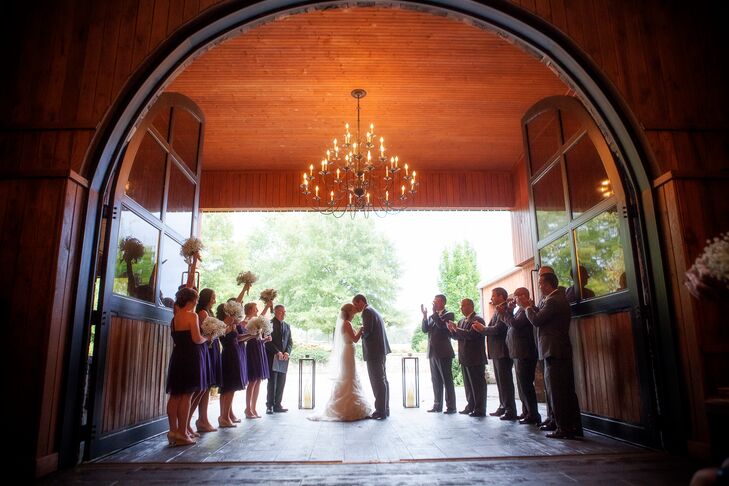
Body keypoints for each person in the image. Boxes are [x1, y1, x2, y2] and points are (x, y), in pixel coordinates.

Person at [525, 272, 583, 439]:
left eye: (540, 283)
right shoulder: (555, 299)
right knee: (565, 390)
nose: (539, 286)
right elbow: (544, 317)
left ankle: (564, 428)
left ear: (548, 284)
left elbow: (536, 321)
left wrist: (527, 307)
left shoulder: (554, 300)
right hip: (557, 349)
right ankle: (573, 427)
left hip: (554, 350)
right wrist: (532, 307)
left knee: (558, 391)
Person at [308, 303, 372, 421]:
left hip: (348, 352)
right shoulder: (347, 323)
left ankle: (350, 404)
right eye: (353, 310)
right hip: (348, 352)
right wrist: (361, 329)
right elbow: (355, 339)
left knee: (349, 377)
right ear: (349, 312)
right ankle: (346, 407)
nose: (355, 312)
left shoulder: (346, 323)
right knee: (348, 377)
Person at [165, 287, 208, 446]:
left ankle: (172, 431)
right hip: (190, 357)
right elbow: (197, 339)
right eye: (195, 299)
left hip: (177, 357)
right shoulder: (192, 315)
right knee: (186, 395)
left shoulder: (175, 318)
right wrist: (207, 337)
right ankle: (183, 433)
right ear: (192, 300)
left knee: (175, 395)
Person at [498, 287, 541, 425]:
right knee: (522, 386)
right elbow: (512, 322)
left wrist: (504, 313)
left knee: (526, 385)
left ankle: (533, 414)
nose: (514, 300)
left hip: (525, 353)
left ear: (522, 296)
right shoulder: (520, 311)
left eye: (516, 297)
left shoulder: (528, 310)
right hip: (517, 352)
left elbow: (515, 324)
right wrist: (509, 311)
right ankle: (527, 411)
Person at [476, 287, 517, 420]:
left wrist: (483, 329)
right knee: (500, 382)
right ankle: (503, 406)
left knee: (505, 382)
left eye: (493, 296)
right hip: (496, 351)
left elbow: (499, 328)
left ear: (501, 297)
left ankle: (510, 410)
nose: (491, 299)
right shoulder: (497, 309)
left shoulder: (504, 309)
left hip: (503, 350)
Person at [352, 294, 391, 419]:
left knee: (377, 381)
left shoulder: (367, 312)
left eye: (355, 304)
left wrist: (361, 331)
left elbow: (368, 332)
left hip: (374, 352)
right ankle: (385, 409)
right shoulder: (373, 310)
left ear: (361, 301)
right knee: (383, 380)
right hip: (380, 351)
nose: (355, 308)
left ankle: (380, 411)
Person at [447, 298, 487, 417]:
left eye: (463, 305)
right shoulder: (461, 321)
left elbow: (471, 335)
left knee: (477, 385)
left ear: (470, 306)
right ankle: (471, 405)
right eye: (461, 306)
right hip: (465, 357)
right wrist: (452, 330)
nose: (461, 308)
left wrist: (456, 329)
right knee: (468, 384)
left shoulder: (477, 319)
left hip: (475, 357)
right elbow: (457, 336)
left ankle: (480, 409)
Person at [420, 294, 457, 413]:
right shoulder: (432, 315)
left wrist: (434, 313)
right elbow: (425, 330)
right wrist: (425, 316)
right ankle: (437, 405)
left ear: (442, 302)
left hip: (444, 352)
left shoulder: (449, 314)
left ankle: (451, 407)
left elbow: (441, 326)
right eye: (433, 301)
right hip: (432, 352)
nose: (434, 303)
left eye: (436, 301)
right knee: (435, 380)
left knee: (447, 380)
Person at [194, 288, 219, 433]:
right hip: (207, 348)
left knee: (208, 386)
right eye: (213, 297)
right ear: (207, 298)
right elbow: (207, 332)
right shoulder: (203, 312)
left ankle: (203, 418)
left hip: (213, 346)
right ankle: (201, 419)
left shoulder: (210, 312)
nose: (215, 300)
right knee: (204, 386)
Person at [243, 301, 273, 419]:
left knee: (259, 380)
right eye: (255, 309)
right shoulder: (246, 321)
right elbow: (248, 338)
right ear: (250, 310)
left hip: (259, 348)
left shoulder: (257, 321)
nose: (256, 310)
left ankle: (254, 407)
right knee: (253, 380)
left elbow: (258, 338)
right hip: (251, 350)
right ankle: (247, 408)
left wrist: (265, 340)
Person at [265, 304, 293, 414]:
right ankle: (270, 405)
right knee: (272, 382)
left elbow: (290, 341)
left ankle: (278, 404)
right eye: (281, 312)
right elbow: (267, 341)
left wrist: (287, 352)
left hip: (284, 358)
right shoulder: (269, 324)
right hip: (273, 356)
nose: (283, 314)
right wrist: (277, 352)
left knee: (282, 381)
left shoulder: (287, 326)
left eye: (284, 312)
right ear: (275, 312)